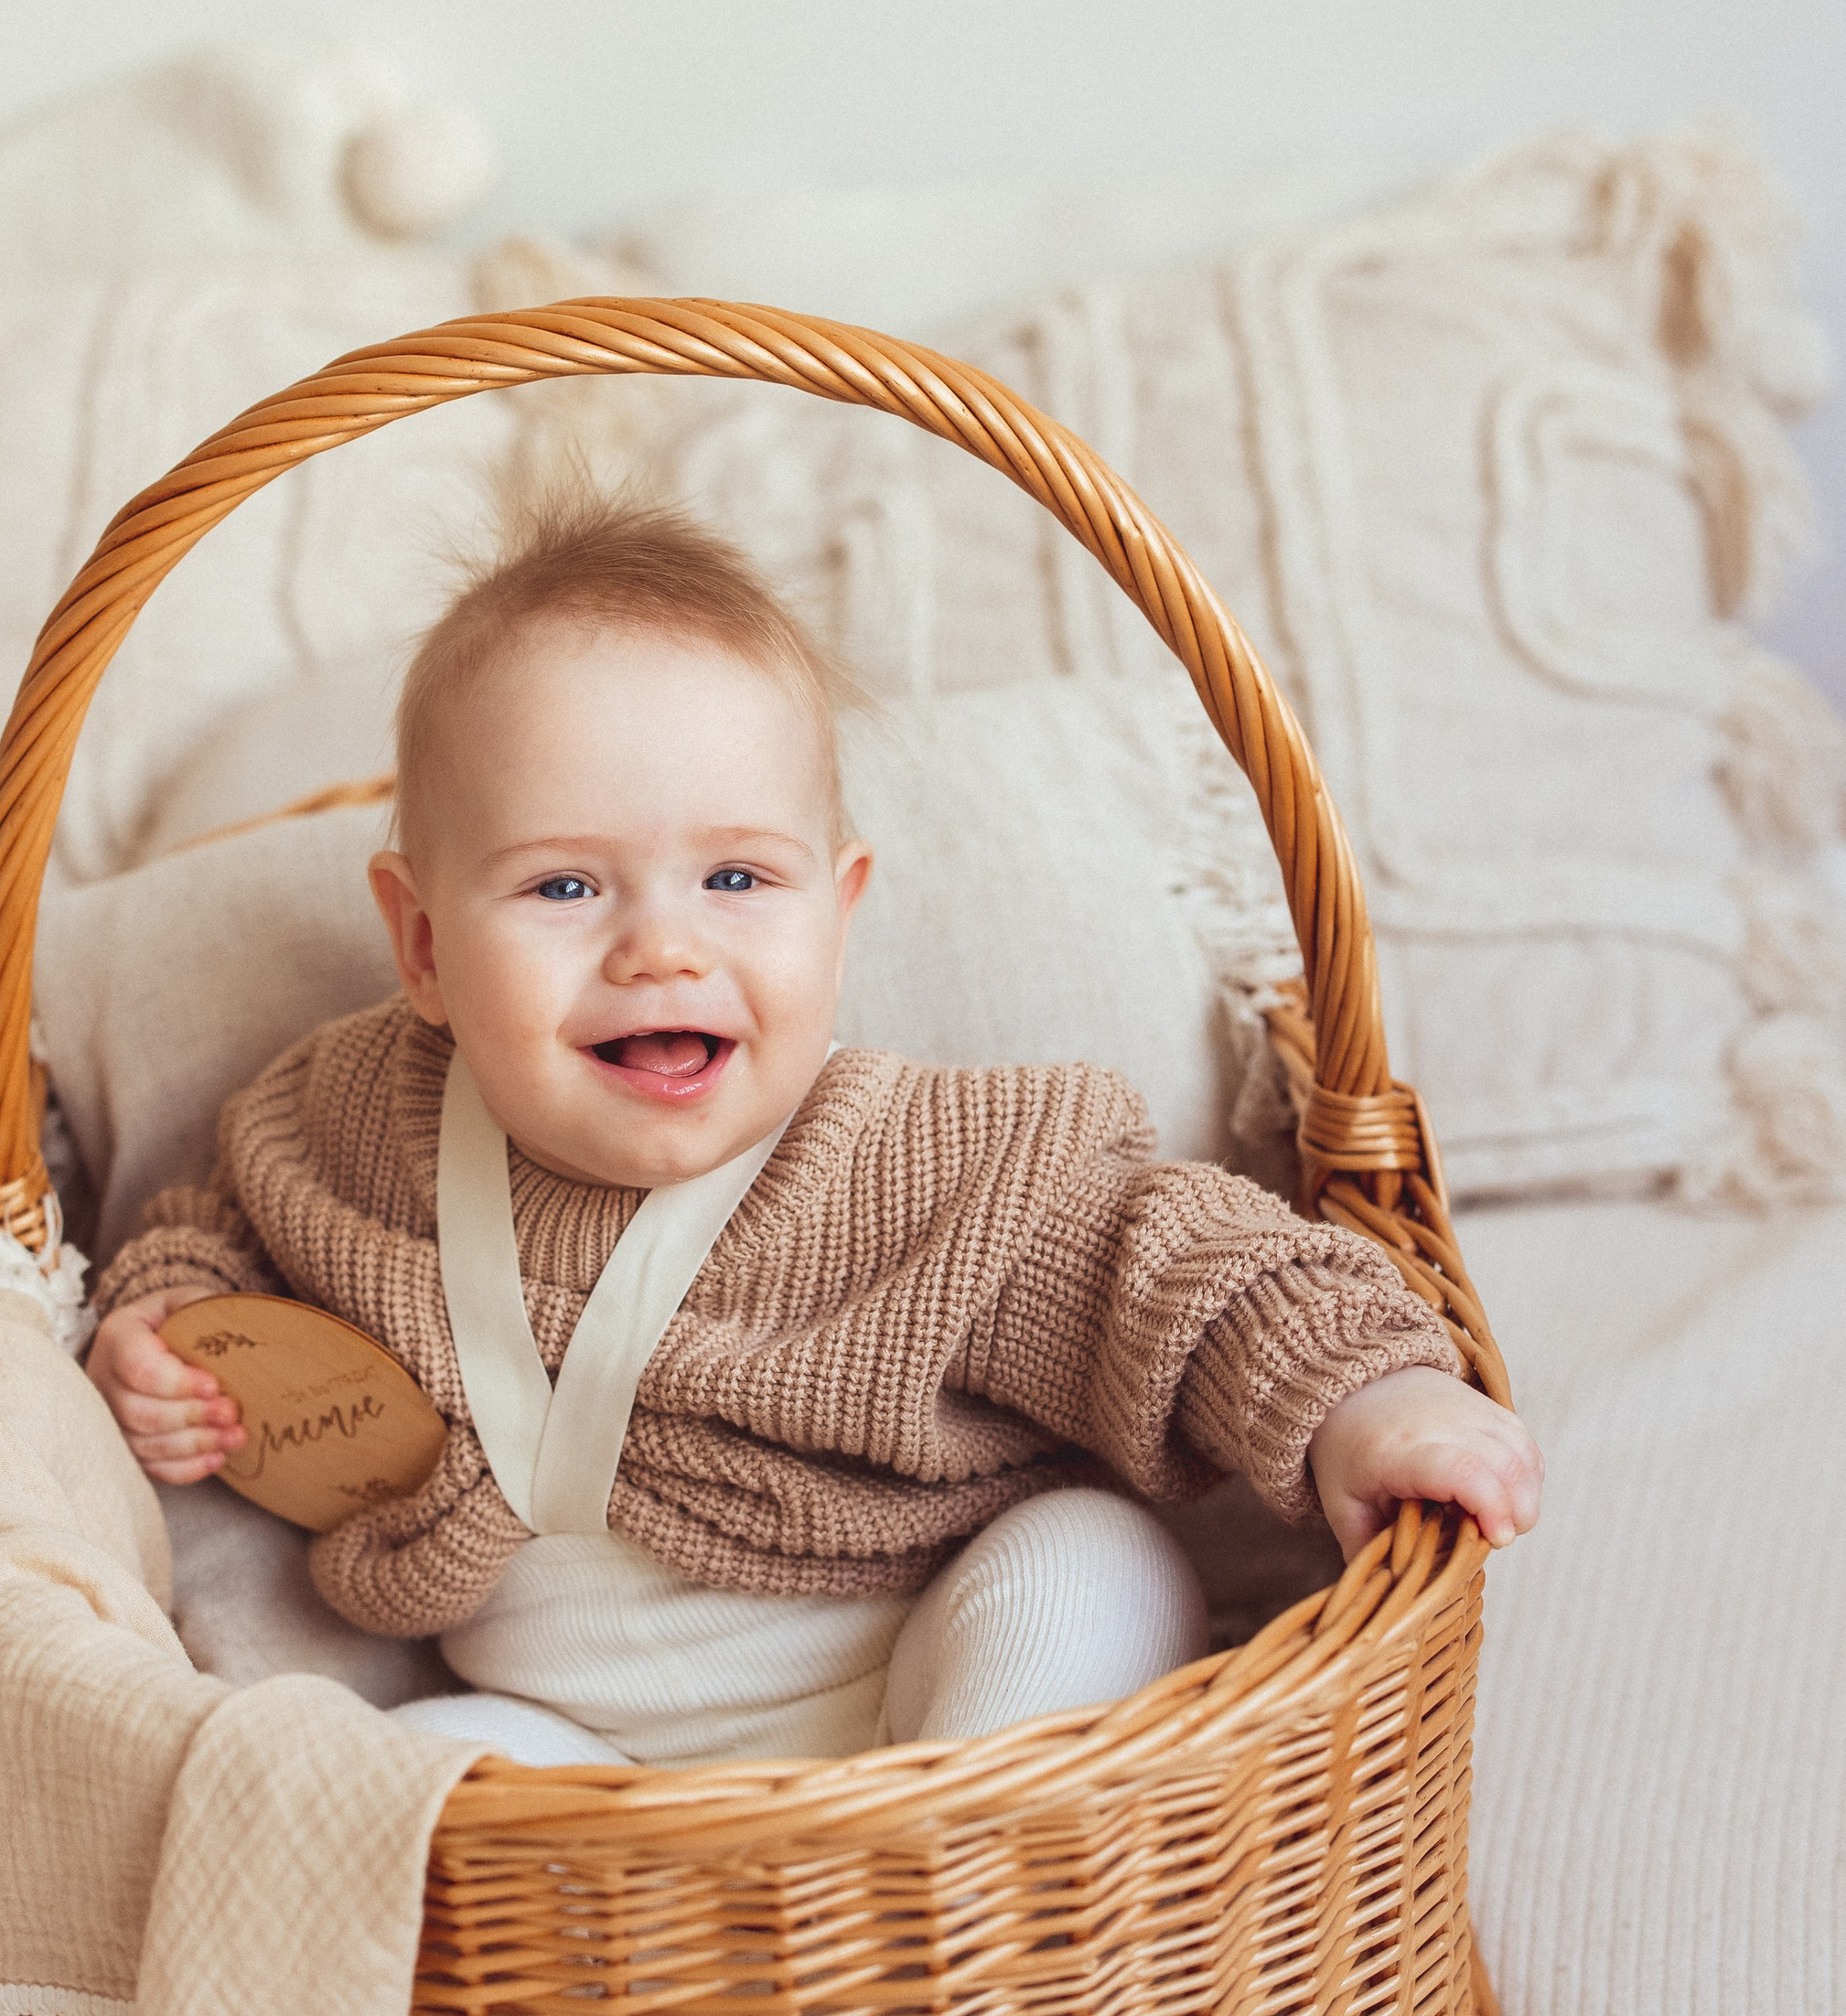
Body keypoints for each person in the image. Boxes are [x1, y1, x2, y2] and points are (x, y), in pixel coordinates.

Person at [86, 494, 1540, 1767]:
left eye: (735, 878)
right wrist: (166, 1330)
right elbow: (221, 1229)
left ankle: (967, 1887)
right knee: (361, 1773)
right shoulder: (350, 1126)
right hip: (575, 1754)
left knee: (1090, 1565)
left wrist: (1367, 1401)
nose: (662, 947)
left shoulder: (915, 1166)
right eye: (564, 888)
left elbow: (1174, 1272)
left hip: (930, 1664)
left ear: (838, 918)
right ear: (420, 943)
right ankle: (681, 1965)